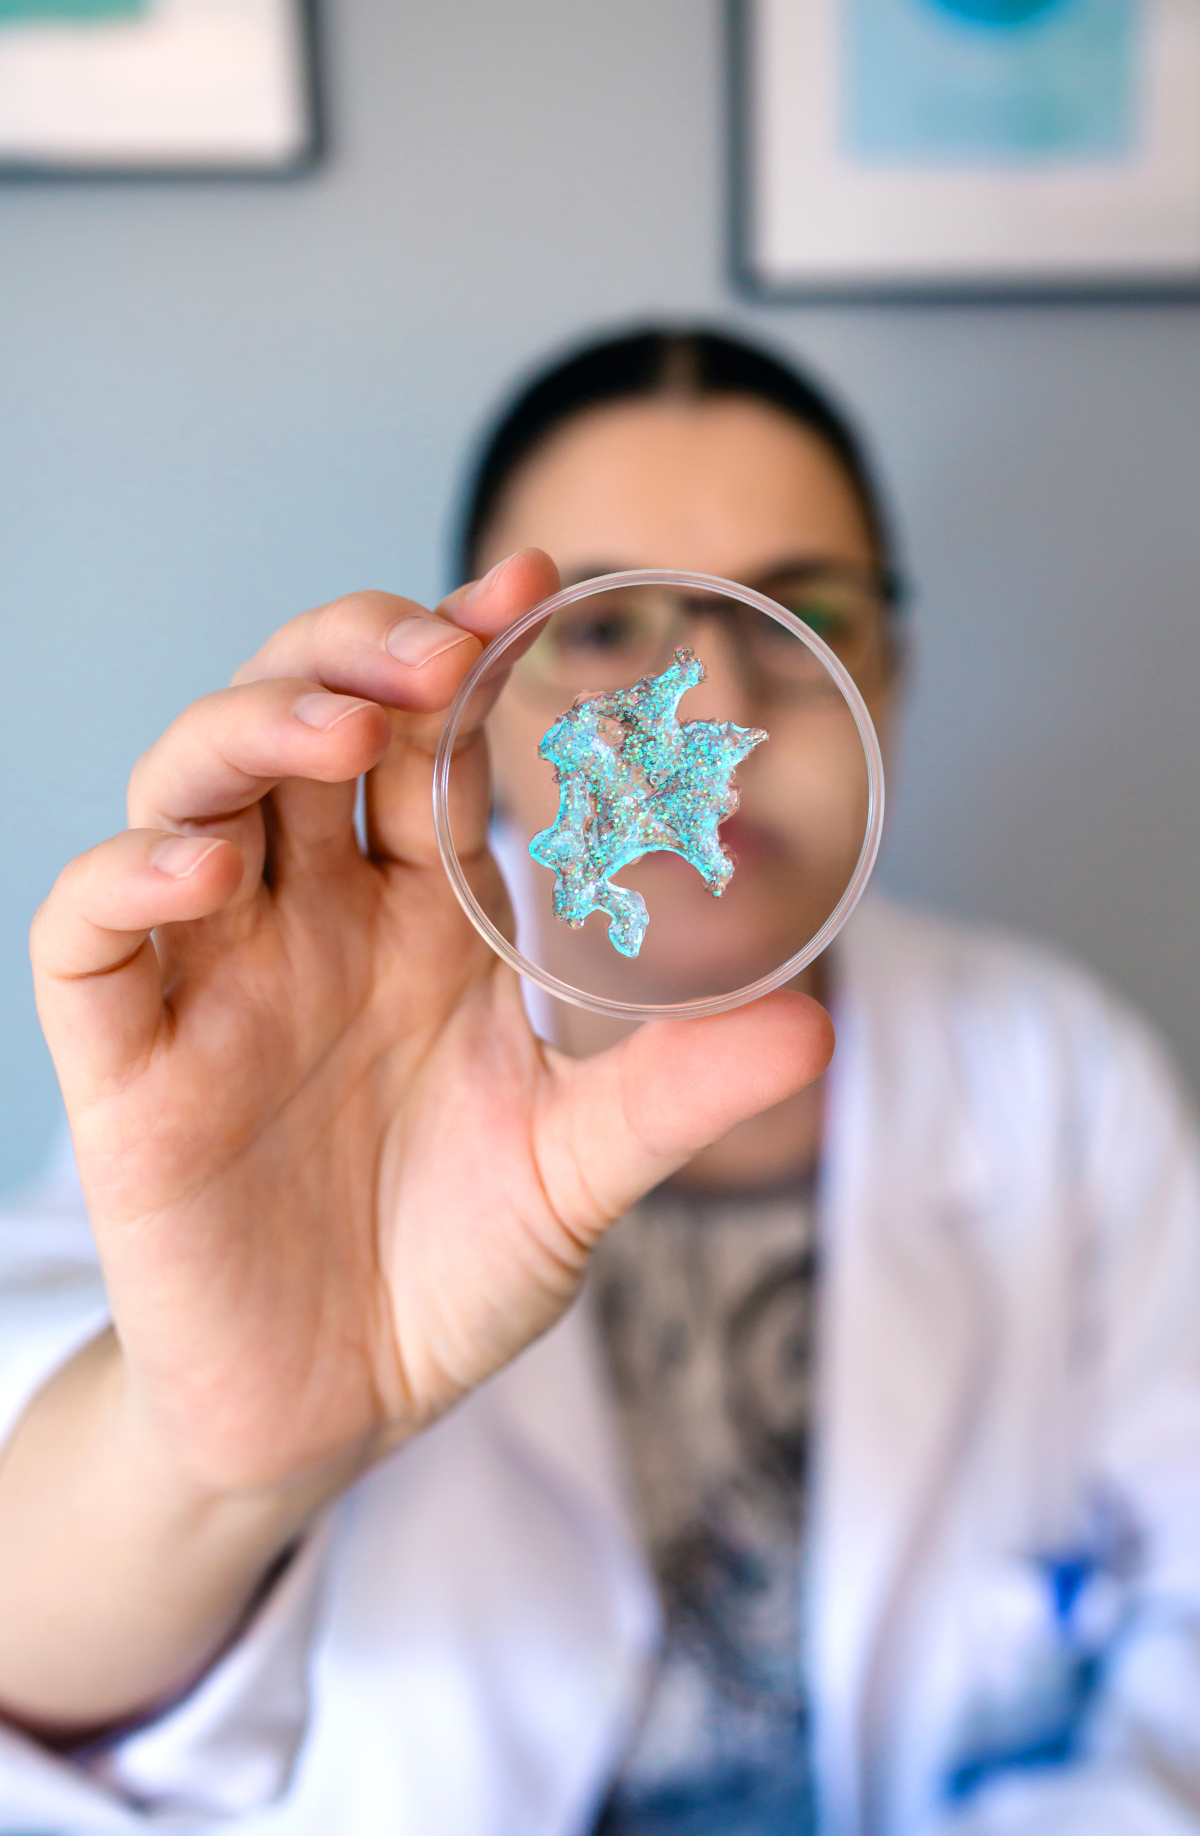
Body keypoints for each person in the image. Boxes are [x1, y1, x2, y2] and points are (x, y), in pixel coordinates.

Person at [0, 327, 1197, 1836]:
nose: (704, 712)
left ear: (887, 672)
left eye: (796, 614)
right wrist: (202, 1460)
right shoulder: (275, 1049)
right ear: (481, 700)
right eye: (604, 629)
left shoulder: (1065, 1077)